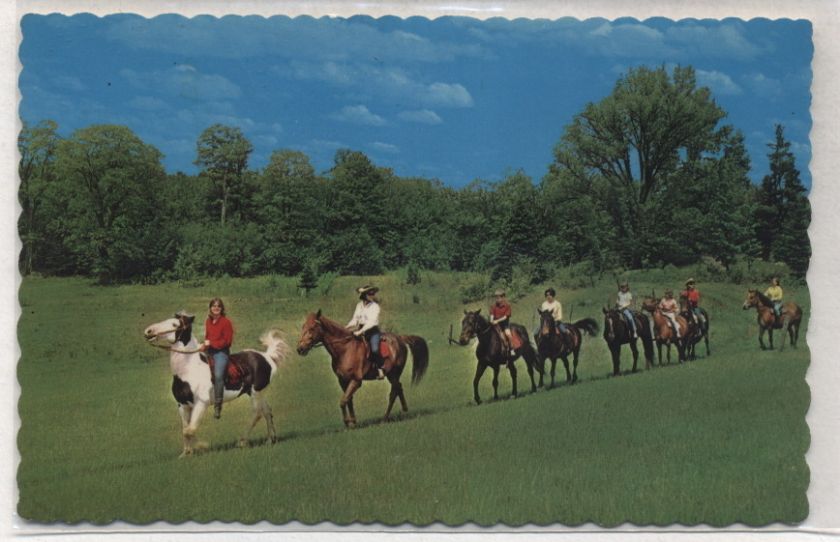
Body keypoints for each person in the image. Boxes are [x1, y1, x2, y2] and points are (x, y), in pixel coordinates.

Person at [202, 298, 234, 419]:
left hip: (221, 353)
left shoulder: (226, 322)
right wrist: (204, 345)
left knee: (219, 375)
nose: (216, 308)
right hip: (209, 351)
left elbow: (227, 341)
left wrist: (212, 344)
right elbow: (207, 337)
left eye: (218, 306)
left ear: (222, 309)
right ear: (210, 308)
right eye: (214, 306)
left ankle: (218, 405)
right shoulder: (208, 321)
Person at [347, 285, 384, 379]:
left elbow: (372, 322)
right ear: (364, 295)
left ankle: (380, 369)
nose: (372, 295)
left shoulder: (375, 306)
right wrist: (346, 327)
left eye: (373, 294)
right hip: (360, 329)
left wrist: (360, 332)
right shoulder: (359, 305)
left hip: (372, 331)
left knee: (375, 349)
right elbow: (355, 320)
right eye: (370, 294)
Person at [490, 289, 515, 357]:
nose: (497, 299)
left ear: (503, 297)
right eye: (496, 297)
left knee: (508, 335)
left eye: (498, 297)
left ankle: (511, 349)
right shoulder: (493, 306)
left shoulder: (507, 305)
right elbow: (492, 314)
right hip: (496, 325)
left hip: (504, 325)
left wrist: (497, 321)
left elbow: (505, 317)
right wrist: (491, 320)